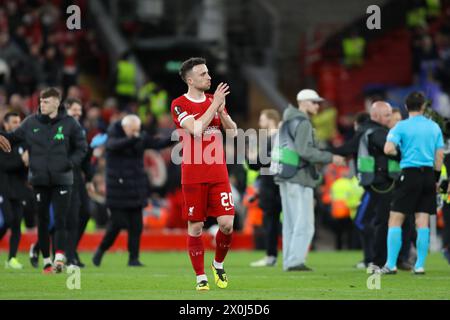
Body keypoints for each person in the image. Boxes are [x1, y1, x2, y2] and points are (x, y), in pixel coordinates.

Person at [0, 87, 87, 274]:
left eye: (46, 101)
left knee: (61, 219)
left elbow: (82, 148)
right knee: (44, 221)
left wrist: (69, 163)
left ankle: (59, 257)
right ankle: (47, 261)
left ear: (56, 102)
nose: (42, 104)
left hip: (63, 178)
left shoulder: (70, 123)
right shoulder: (31, 122)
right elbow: (13, 137)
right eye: (41, 101)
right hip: (39, 179)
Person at [171, 57, 238, 291]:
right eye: (203, 74)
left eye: (208, 73)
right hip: (193, 174)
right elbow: (196, 130)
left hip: (218, 171)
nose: (209, 77)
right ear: (190, 80)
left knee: (227, 224)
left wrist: (223, 112)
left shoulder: (214, 101)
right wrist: (214, 105)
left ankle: (217, 264)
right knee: (196, 227)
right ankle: (200, 277)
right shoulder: (179, 104)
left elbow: (233, 133)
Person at [274, 89, 345, 271]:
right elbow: (305, 151)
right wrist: (331, 157)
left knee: (290, 222)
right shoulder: (302, 122)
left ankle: (289, 260)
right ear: (304, 103)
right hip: (299, 176)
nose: (317, 106)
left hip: (285, 174)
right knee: (303, 222)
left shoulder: (287, 121)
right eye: (314, 102)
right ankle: (295, 261)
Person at [92, 114, 172, 267]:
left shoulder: (139, 136)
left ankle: (133, 258)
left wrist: (176, 137)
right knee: (117, 224)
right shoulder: (113, 135)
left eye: (137, 130)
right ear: (124, 127)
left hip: (135, 188)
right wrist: (134, 138)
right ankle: (101, 250)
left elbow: (157, 143)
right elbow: (114, 145)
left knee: (137, 226)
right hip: (117, 189)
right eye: (133, 130)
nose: (136, 133)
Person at [382, 91, 444, 274]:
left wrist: (401, 153)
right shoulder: (434, 127)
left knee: (395, 219)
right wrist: (435, 177)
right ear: (423, 106)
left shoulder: (401, 127)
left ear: (406, 107)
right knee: (422, 221)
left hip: (409, 174)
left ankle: (391, 264)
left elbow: (388, 149)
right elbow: (439, 155)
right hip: (428, 176)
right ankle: (420, 266)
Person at [249, 109, 282, 267]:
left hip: (271, 185)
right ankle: (284, 255)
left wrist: (252, 155)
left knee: (270, 221)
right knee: (276, 222)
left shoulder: (274, 138)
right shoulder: (276, 138)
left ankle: (271, 255)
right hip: (277, 183)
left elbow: (256, 163)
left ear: (271, 119)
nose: (259, 123)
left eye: (262, 119)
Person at [0, 112, 30, 269]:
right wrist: (21, 160)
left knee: (17, 223)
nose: (17, 124)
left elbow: (23, 170)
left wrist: (27, 163)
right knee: (7, 219)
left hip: (18, 189)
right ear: (5, 125)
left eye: (19, 122)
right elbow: (5, 165)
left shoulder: (23, 144)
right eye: (13, 122)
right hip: (3, 187)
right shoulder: (2, 142)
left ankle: (11, 258)